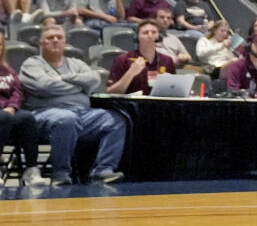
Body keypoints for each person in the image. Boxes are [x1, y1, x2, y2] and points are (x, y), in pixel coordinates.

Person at [18, 21, 126, 185]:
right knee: (66, 119)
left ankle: (102, 170)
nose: (55, 40)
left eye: (59, 37)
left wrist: (63, 78)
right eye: (50, 38)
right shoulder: (32, 64)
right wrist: (79, 87)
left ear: (64, 42)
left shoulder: (76, 63)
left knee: (115, 120)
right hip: (45, 113)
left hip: (82, 114)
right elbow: (44, 86)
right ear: (41, 43)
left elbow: (94, 79)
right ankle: (61, 173)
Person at [0, 29, 50, 188]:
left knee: (27, 117)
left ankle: (31, 169)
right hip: (3, 116)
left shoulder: (8, 71)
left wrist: (12, 107)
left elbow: (17, 91)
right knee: (4, 118)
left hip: (7, 114)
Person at [107, 22, 181, 94]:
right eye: (145, 32)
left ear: (159, 37)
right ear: (137, 37)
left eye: (154, 32)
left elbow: (173, 92)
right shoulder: (123, 60)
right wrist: (130, 73)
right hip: (131, 105)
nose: (150, 35)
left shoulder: (167, 60)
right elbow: (111, 92)